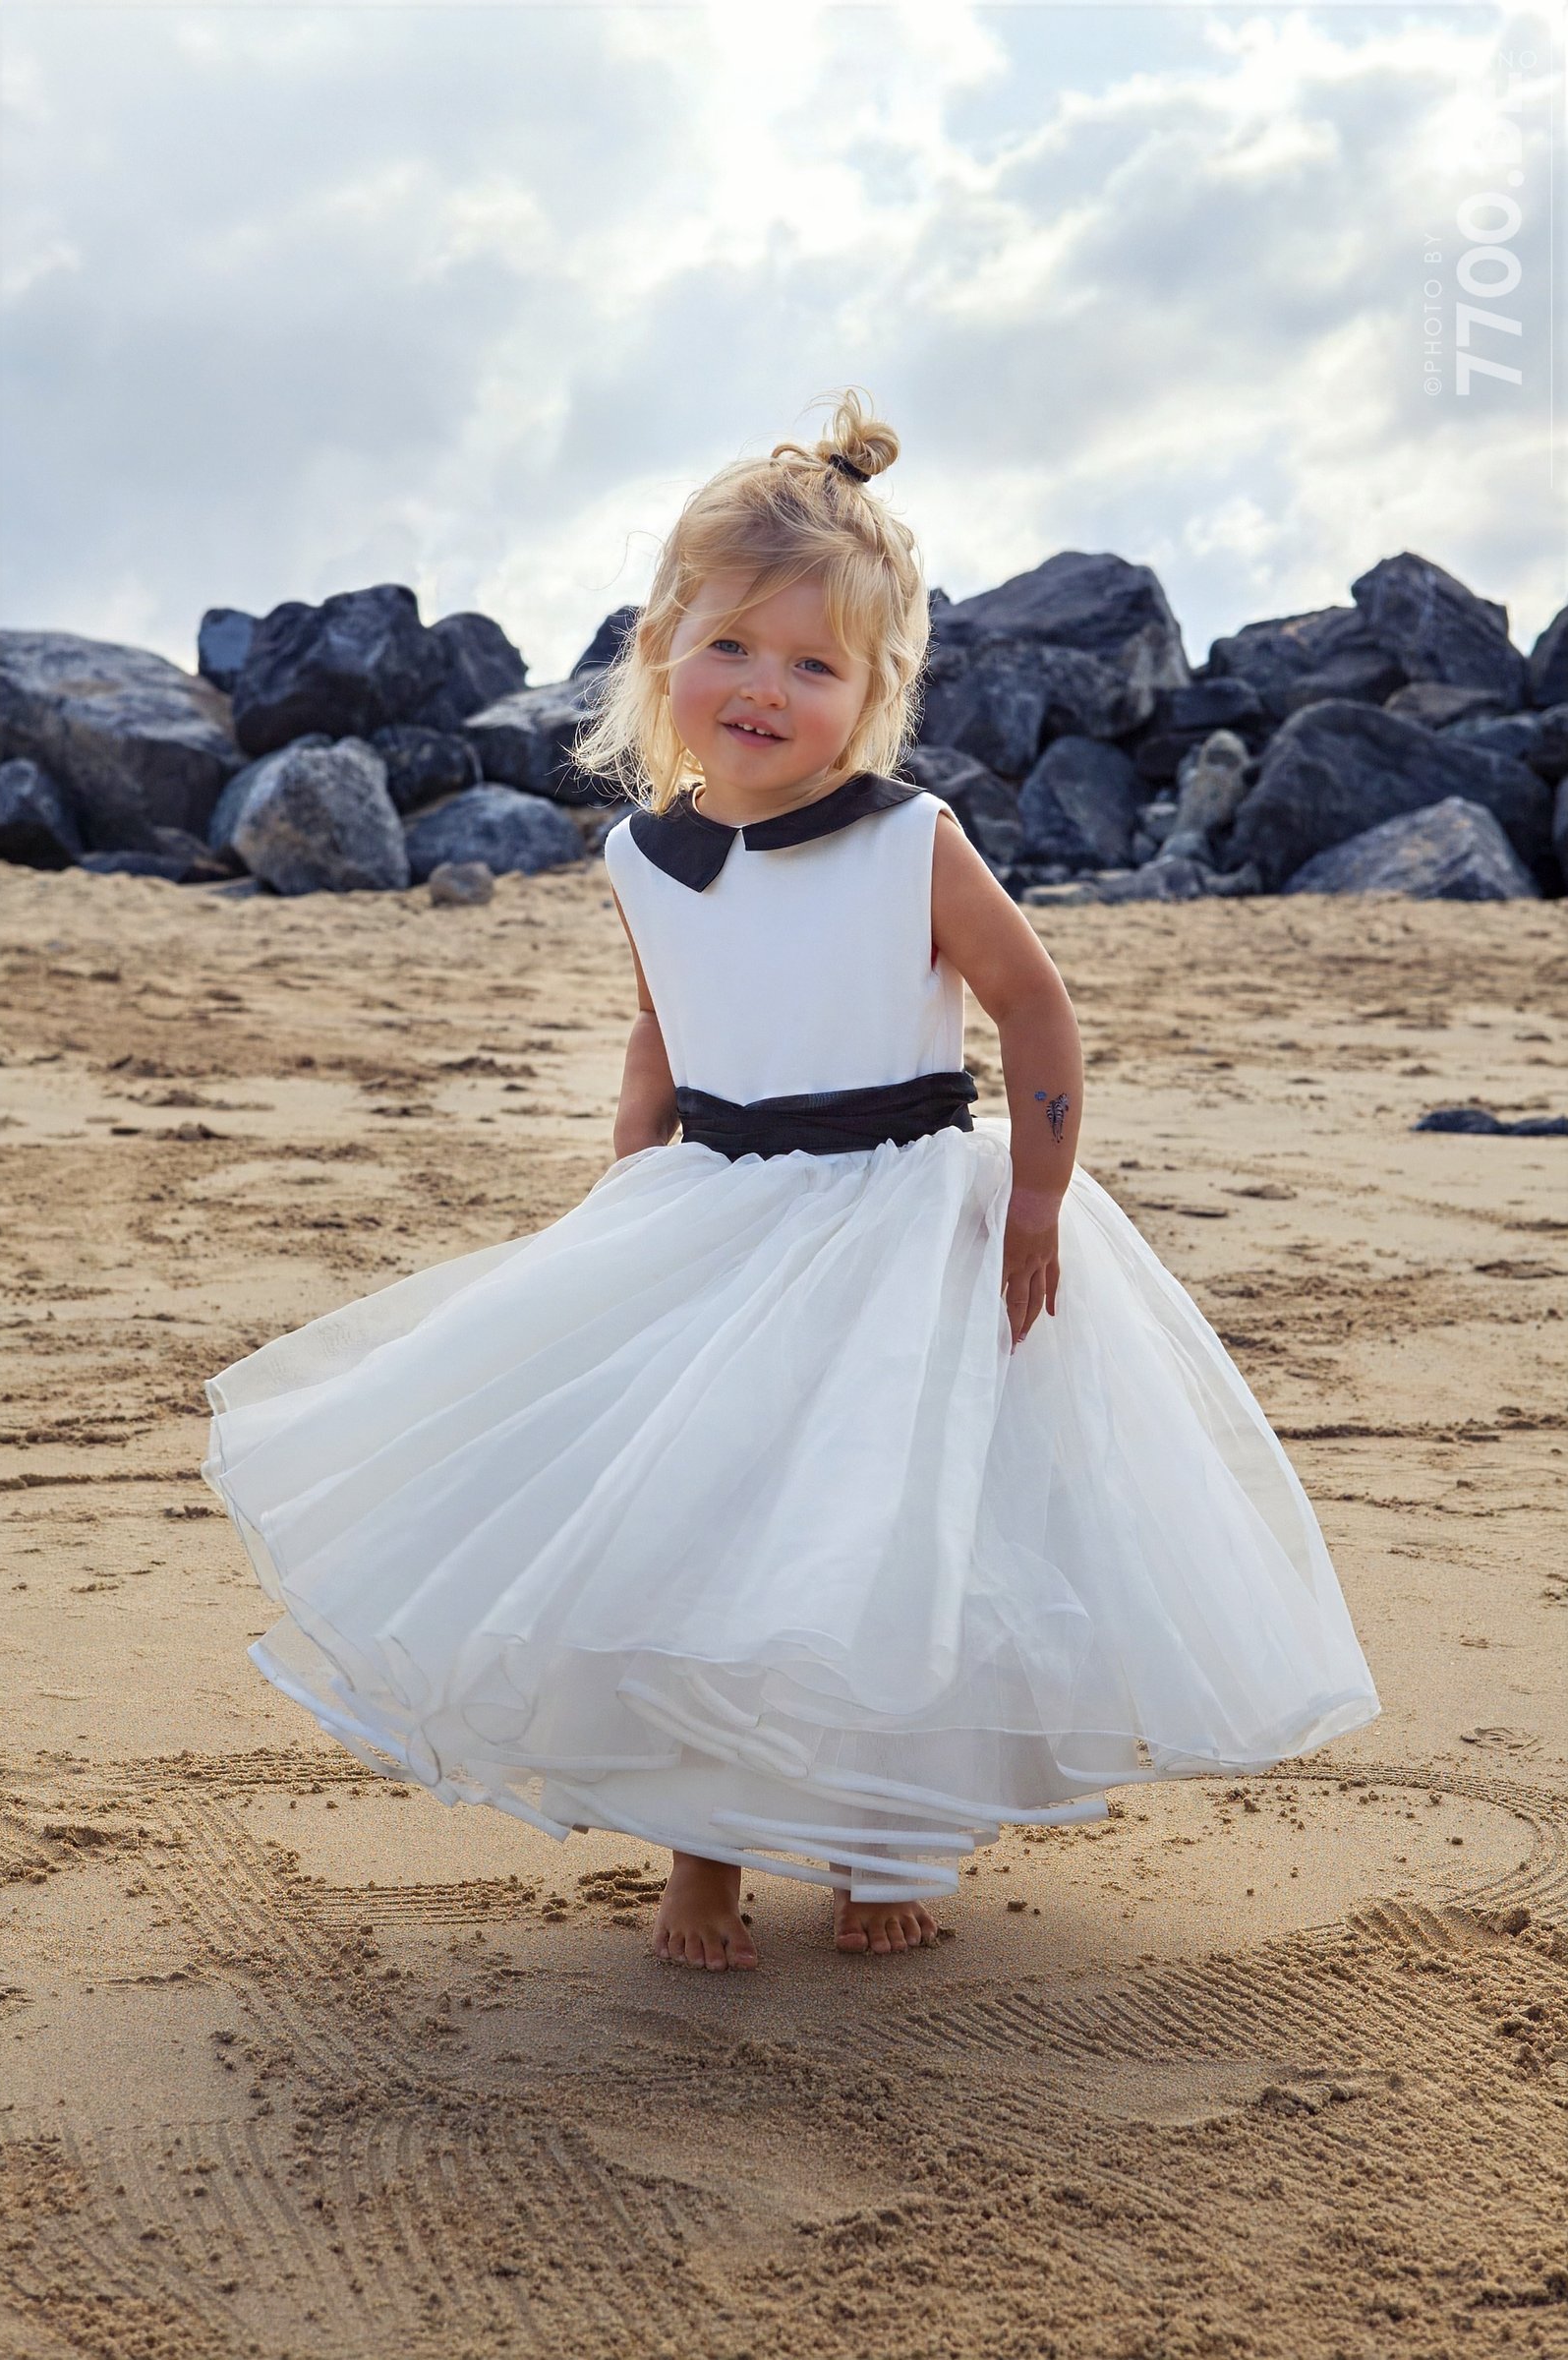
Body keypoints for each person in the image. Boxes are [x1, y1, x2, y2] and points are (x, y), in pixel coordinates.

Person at [200, 386, 1381, 1975]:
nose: (766, 689)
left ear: (874, 688)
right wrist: (632, 1183)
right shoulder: (641, 857)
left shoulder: (909, 840)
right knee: (708, 1535)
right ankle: (703, 1859)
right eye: (734, 650)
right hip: (723, 1211)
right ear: (664, 651)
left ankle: (882, 1840)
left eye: (814, 665)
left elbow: (1033, 1003)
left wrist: (1034, 1196)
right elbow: (658, 1028)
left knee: (881, 1549)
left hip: (908, 1214)